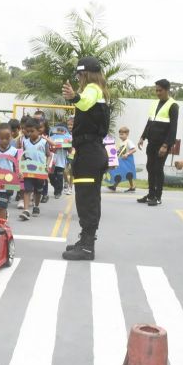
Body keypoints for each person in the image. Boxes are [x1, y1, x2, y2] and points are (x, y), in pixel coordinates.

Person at [60, 56, 110, 260]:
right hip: (90, 151)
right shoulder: (98, 91)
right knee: (88, 198)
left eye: (80, 74)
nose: (79, 78)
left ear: (87, 74)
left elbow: (85, 102)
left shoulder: (92, 89)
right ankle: (86, 241)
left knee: (86, 199)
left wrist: (74, 97)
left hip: (89, 152)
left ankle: (88, 246)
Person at [137, 79, 178, 206]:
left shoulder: (173, 105)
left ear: (167, 90)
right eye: (156, 90)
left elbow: (173, 127)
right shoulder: (155, 103)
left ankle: (158, 197)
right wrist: (143, 137)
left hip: (163, 144)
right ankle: (150, 194)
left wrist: (166, 145)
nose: (158, 92)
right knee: (150, 167)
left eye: (160, 90)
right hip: (152, 142)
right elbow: (150, 121)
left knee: (158, 169)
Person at [18, 117, 50, 221]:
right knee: (27, 190)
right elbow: (23, 155)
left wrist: (47, 165)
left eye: (32, 131)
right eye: (28, 131)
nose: (30, 133)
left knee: (38, 190)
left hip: (40, 171)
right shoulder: (25, 142)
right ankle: (26, 210)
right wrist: (20, 169)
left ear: (39, 130)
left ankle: (36, 206)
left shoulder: (44, 142)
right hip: (28, 170)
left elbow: (48, 155)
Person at [108, 126, 137, 192]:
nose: (120, 136)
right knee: (120, 172)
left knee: (128, 173)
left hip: (127, 160)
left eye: (122, 134)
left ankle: (131, 186)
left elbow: (134, 149)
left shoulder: (128, 141)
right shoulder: (121, 142)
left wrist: (127, 154)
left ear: (127, 134)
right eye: (120, 134)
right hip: (121, 160)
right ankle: (114, 186)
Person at [49, 124, 69, 198]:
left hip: (61, 162)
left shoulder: (67, 139)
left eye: (61, 130)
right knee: (51, 176)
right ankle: (56, 187)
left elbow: (69, 150)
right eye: (58, 130)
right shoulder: (51, 138)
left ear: (64, 131)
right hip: (52, 161)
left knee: (60, 176)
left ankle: (58, 192)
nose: (60, 132)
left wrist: (66, 145)